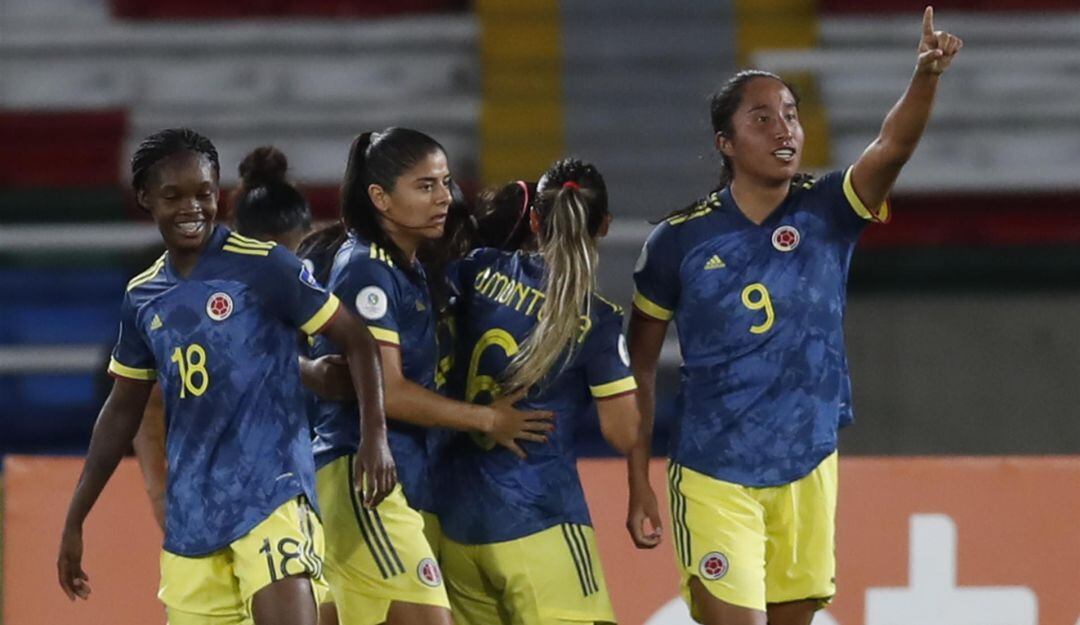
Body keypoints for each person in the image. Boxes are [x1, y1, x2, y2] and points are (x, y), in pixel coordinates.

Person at [625, 8, 962, 625]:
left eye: (790, 114)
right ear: (725, 143)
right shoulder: (678, 242)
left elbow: (892, 146)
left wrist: (926, 75)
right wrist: (637, 477)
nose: (783, 129)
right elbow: (640, 366)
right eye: (762, 118)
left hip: (808, 464)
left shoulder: (830, 210)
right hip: (715, 472)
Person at [56, 128, 396, 625]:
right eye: (173, 195)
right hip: (193, 518)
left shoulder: (265, 266)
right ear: (146, 198)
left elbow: (357, 339)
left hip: (272, 495)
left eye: (204, 193)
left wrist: (375, 437)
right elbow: (123, 407)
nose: (192, 207)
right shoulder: (143, 295)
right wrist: (76, 517)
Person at [309, 127, 553, 625]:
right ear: (380, 198)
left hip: (400, 477)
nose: (443, 196)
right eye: (425, 186)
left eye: (444, 182)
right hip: (362, 476)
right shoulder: (366, 270)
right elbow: (390, 391)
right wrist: (488, 420)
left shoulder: (409, 268)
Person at [436, 158, 641, 625]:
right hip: (541, 522)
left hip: (458, 526)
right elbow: (623, 432)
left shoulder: (475, 271)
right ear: (604, 226)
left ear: (534, 220)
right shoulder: (595, 318)